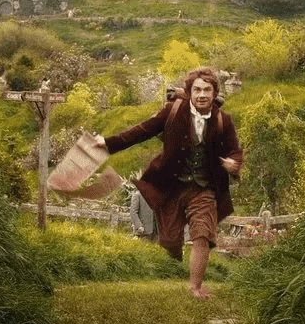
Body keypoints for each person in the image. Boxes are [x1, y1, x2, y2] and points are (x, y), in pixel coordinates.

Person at [96, 67, 243, 299]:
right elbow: (141, 131)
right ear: (189, 92)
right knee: (170, 240)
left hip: (204, 187)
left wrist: (234, 163)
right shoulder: (173, 110)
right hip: (171, 186)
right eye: (197, 90)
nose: (202, 95)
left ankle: (195, 288)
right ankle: (174, 254)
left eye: (207, 90)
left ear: (215, 93)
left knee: (202, 234)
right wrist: (108, 143)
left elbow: (235, 151)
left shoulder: (223, 120)